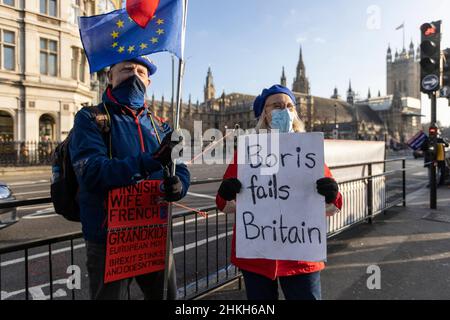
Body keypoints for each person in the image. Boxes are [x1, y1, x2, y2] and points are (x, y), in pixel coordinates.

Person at [69, 55, 190, 300]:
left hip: (154, 233)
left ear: (148, 82)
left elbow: (181, 168)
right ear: (109, 77)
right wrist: (151, 161)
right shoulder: (90, 118)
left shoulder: (160, 125)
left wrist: (179, 185)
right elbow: (91, 171)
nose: (134, 74)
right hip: (109, 238)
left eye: (141, 71)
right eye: (126, 69)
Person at [215, 85, 343, 300]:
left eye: (290, 106)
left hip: (300, 256)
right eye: (277, 105)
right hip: (257, 256)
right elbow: (223, 203)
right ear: (264, 113)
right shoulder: (248, 151)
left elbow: (334, 205)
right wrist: (226, 193)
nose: (285, 110)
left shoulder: (308, 150)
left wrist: (331, 194)